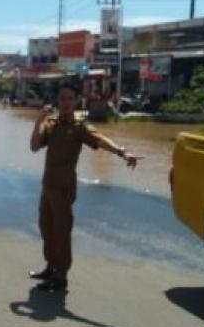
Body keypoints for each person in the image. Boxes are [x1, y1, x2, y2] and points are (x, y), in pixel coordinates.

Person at [29, 82, 142, 291]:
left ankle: (61, 276)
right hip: (48, 185)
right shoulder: (51, 123)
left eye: (70, 99)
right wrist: (39, 121)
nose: (65, 103)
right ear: (58, 100)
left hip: (64, 187)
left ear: (76, 101)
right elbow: (34, 146)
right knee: (46, 227)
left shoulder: (79, 126)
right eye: (62, 98)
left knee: (62, 231)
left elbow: (99, 139)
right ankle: (50, 267)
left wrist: (122, 152)